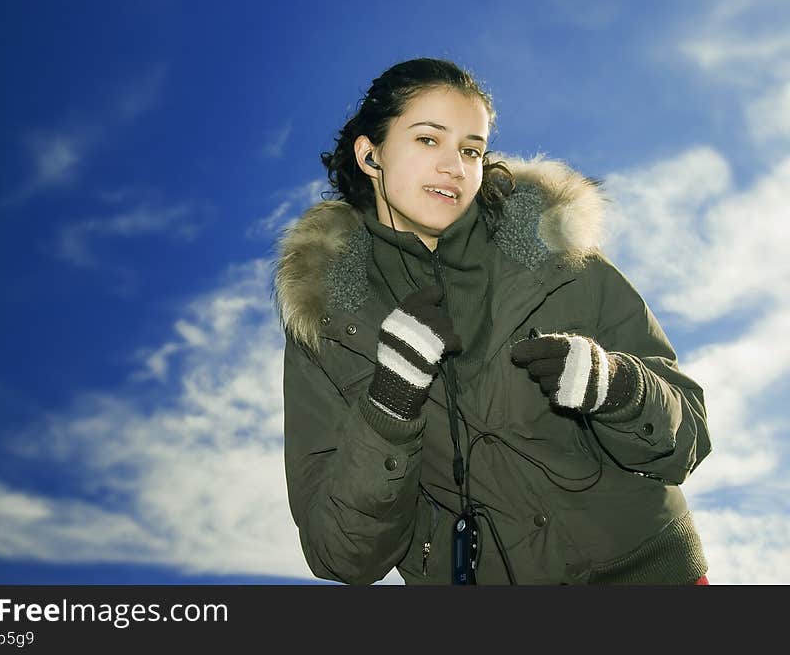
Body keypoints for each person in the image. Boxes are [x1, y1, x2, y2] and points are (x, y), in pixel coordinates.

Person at [273, 57, 711, 585]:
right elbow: (339, 555)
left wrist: (616, 387)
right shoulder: (326, 328)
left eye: (471, 149)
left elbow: (688, 442)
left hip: (649, 575)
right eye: (428, 140)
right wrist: (389, 405)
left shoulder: (559, 255)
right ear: (371, 155)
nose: (454, 167)